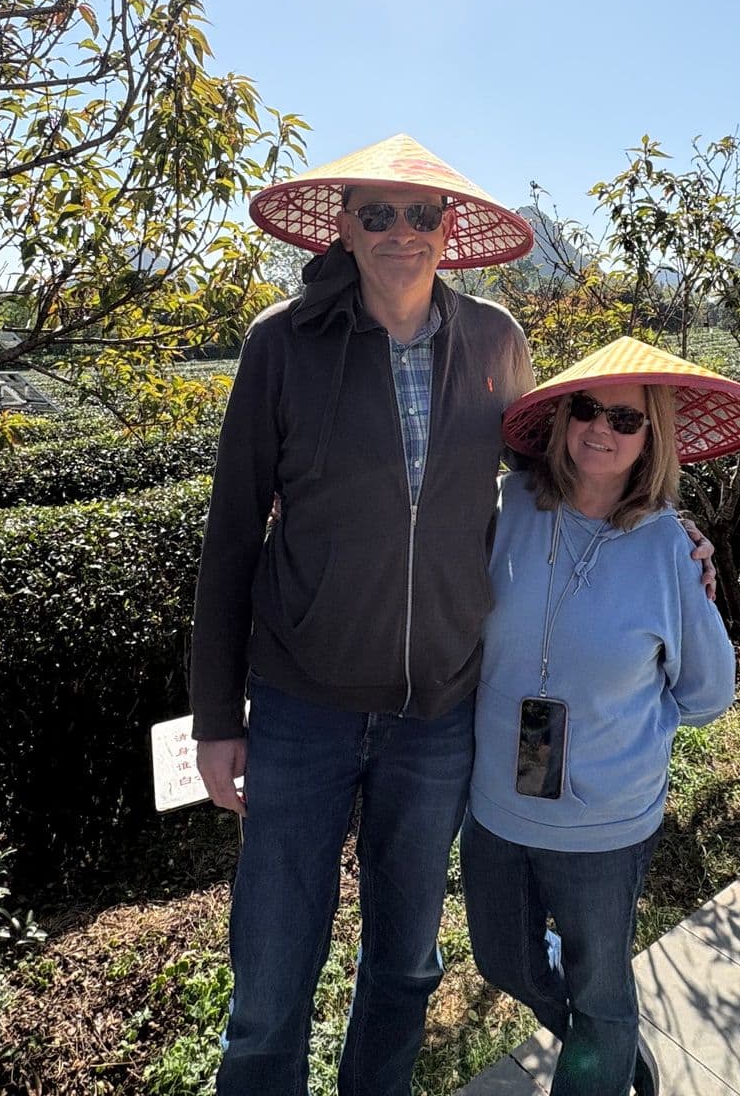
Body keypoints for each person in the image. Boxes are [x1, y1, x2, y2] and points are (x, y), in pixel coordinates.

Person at [189, 133, 538, 1096]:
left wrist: (662, 532)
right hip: (303, 702)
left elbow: (552, 488)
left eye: (420, 214)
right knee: (270, 968)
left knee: (407, 959)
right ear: (342, 227)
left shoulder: (496, 341)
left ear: (449, 229)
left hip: (441, 710)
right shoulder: (281, 343)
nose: (399, 232)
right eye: (375, 213)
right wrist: (218, 719)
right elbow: (232, 535)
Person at [462, 337, 740, 1096]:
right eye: (587, 410)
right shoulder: (507, 509)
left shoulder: (669, 547)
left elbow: (704, 694)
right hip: (497, 806)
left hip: (605, 821)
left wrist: (620, 730)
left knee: (601, 984)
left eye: (625, 419)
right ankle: (611, 1041)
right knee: (504, 960)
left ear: (652, 437)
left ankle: (600, 1050)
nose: (602, 429)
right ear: (564, 417)